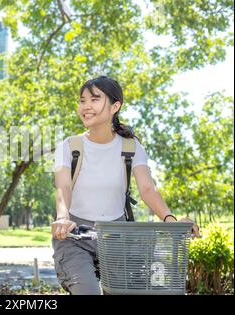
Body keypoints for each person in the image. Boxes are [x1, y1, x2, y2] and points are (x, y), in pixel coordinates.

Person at [51, 75, 200, 295]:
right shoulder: (70, 146)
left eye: (94, 99)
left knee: (125, 291)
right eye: (82, 100)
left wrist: (170, 220)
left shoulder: (130, 147)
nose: (86, 106)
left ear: (115, 106)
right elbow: (63, 188)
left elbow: (147, 189)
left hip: (117, 235)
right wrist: (63, 218)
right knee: (88, 291)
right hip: (75, 235)